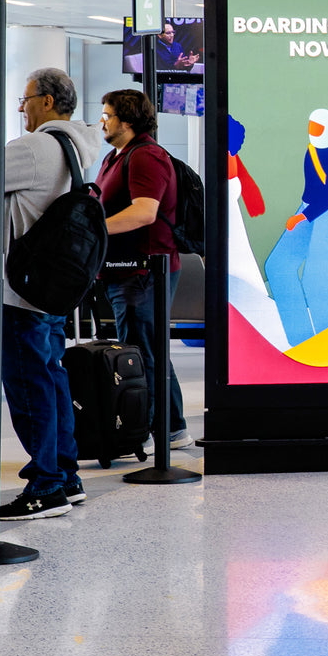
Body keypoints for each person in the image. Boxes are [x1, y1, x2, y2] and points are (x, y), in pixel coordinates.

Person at [0, 68, 103, 519]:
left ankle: (46, 487)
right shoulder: (81, 146)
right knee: (52, 378)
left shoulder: (36, 147)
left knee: (28, 385)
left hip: (21, 292)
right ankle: (66, 475)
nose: (21, 107)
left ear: (47, 101)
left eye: (25, 99)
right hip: (53, 287)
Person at [96, 89, 190, 450]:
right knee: (146, 348)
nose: (103, 121)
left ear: (128, 120)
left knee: (144, 351)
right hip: (125, 271)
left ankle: (157, 427)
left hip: (146, 270)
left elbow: (144, 212)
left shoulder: (147, 157)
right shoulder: (116, 157)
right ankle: (172, 426)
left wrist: (96, 229)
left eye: (108, 115)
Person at [263, 108, 328, 348]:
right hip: (311, 207)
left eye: (318, 127)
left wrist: (303, 217)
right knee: (278, 266)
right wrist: (303, 213)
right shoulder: (312, 148)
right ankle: (301, 340)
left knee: (316, 279)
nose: (312, 131)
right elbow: (312, 189)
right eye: (311, 126)